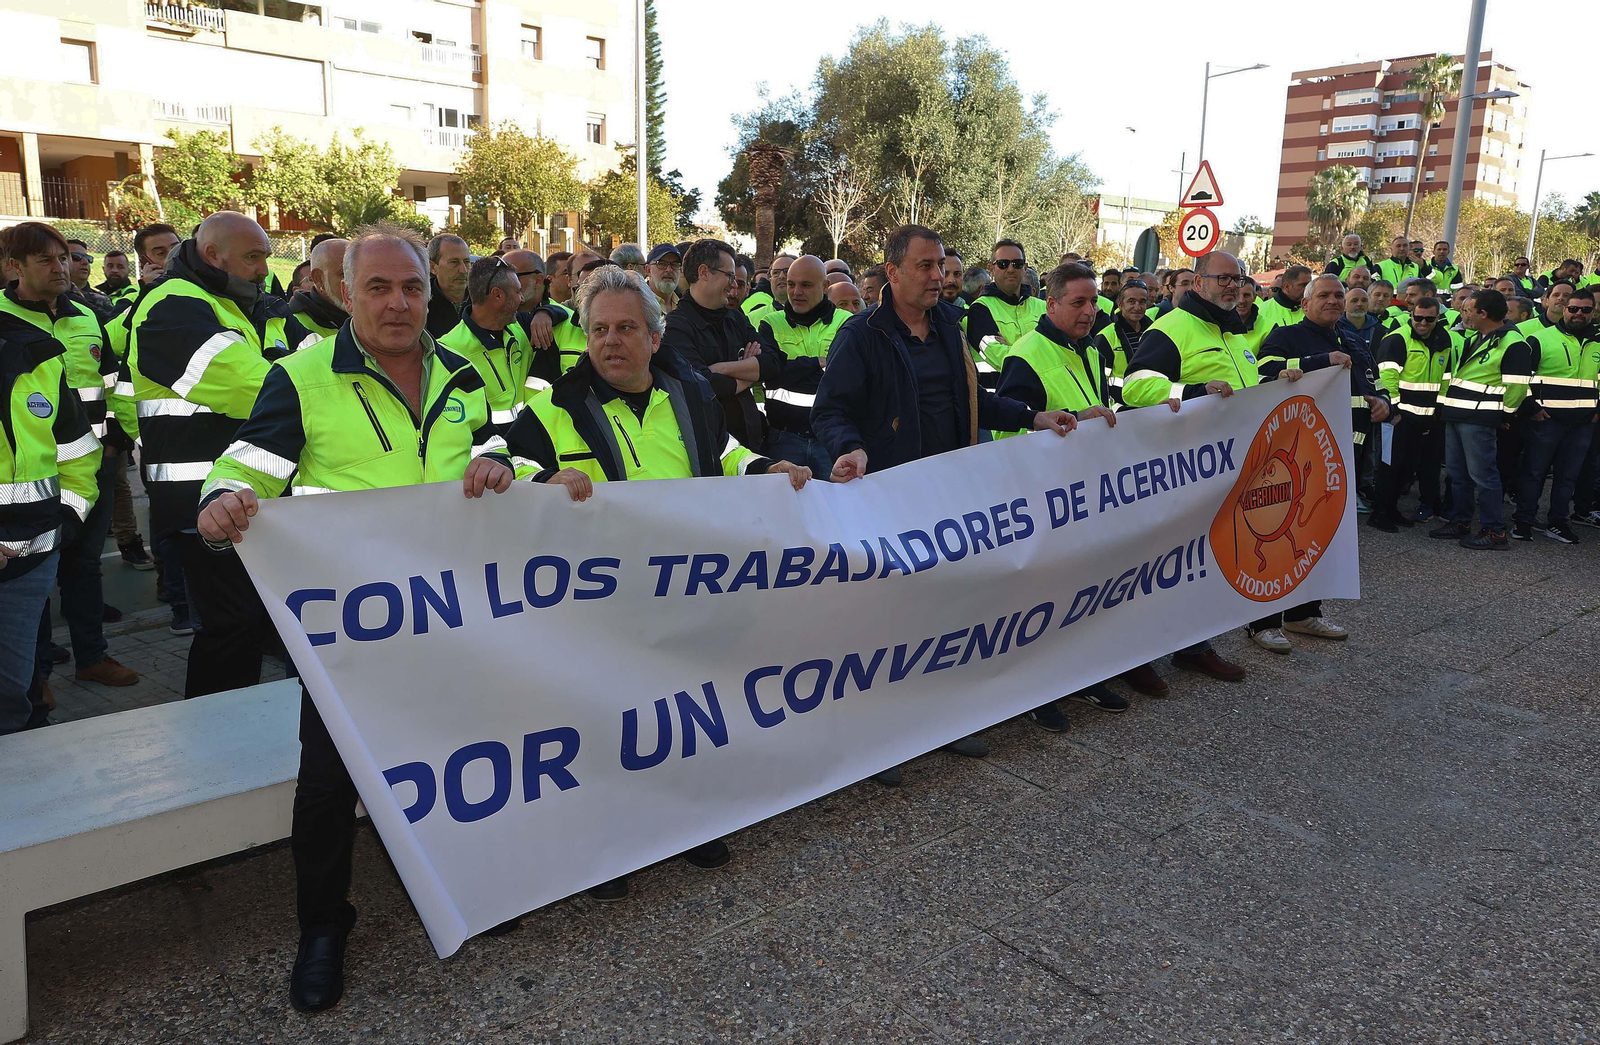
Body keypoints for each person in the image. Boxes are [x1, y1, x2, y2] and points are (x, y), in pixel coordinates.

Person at [197, 223, 515, 1014]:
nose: (399, 302)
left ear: (431, 291)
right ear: (344, 293)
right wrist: (219, 497)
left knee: (463, 749)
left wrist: (503, 462)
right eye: (378, 287)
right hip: (353, 625)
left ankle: (469, 877)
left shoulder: (463, 372)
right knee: (329, 781)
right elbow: (250, 462)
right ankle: (323, 928)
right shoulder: (303, 377)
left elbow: (508, 442)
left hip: (453, 612)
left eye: (411, 287)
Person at [505, 263, 808, 900]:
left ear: (655, 337)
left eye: (625, 328)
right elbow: (497, 459)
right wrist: (539, 483)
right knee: (607, 717)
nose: (610, 341)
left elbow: (725, 457)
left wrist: (766, 470)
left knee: (685, 708)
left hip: (688, 589)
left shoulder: (693, 394)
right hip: (602, 604)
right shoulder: (553, 406)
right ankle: (608, 845)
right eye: (597, 330)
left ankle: (686, 820)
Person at [812, 224, 1078, 782]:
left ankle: (942, 719)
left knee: (944, 608)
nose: (939, 277)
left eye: (940, 267)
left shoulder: (948, 328)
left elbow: (970, 398)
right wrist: (851, 448)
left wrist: (1029, 416)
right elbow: (829, 410)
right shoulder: (862, 336)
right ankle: (876, 737)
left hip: (949, 493)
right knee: (885, 618)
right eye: (926, 266)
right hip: (888, 494)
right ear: (893, 271)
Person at [126, 211, 310, 691]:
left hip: (233, 495)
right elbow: (252, 385)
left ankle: (237, 728)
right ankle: (214, 736)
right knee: (231, 629)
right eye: (253, 257)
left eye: (267, 258)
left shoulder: (225, 303)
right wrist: (322, 397)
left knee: (245, 627)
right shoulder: (173, 305)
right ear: (213, 255)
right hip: (198, 501)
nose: (264, 270)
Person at [997, 262, 1170, 720]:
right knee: (1040, 601)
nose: (1091, 310)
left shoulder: (1093, 348)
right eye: (1079, 302)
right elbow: (1007, 436)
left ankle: (1082, 678)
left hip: (1085, 493)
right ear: (1051, 303)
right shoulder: (1026, 354)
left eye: (1094, 301)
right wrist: (1076, 418)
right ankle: (1036, 695)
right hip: (1042, 498)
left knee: (1083, 592)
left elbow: (1107, 407)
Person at [0, 222, 138, 692]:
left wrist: (119, 434)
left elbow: (113, 379)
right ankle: (34, 675)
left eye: (63, 258)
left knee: (84, 564)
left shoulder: (85, 316)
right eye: (47, 261)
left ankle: (91, 656)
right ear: (14, 267)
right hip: (28, 478)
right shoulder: (2, 318)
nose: (61, 268)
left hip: (91, 463)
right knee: (31, 572)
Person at [1120, 251, 1256, 683]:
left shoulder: (1233, 332)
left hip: (1223, 472)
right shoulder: (1174, 327)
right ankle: (1134, 654)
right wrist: (1192, 390)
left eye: (1238, 278)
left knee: (1203, 564)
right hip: (1179, 470)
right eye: (1223, 278)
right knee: (1161, 567)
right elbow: (1136, 386)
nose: (1232, 285)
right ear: (1198, 283)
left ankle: (1194, 646)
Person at [1248, 274, 1389, 652]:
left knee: (1315, 535)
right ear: (1305, 303)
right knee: (1278, 535)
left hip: (1342, 456)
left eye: (1337, 296)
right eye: (1323, 295)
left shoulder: (1355, 340)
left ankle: (1303, 613)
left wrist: (1383, 401)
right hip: (1295, 457)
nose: (1332, 301)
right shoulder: (1286, 336)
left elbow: (1373, 383)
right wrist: (1319, 361)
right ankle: (1262, 623)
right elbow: (1263, 371)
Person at [0, 302, 101, 734]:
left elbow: (77, 454)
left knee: (14, 696)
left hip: (31, 563)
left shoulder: (39, 354)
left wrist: (64, 525)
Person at [1429, 289, 1532, 550]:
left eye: (1469, 310)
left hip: (1479, 418)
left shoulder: (1513, 343)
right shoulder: (1477, 337)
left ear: (1483, 313)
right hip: (1457, 413)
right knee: (1457, 474)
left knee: (1483, 476)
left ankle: (1494, 530)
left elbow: (1517, 388)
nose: (1465, 315)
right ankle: (1461, 521)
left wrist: (1505, 415)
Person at [660, 239, 783, 455]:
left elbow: (773, 362)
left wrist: (722, 368)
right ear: (704, 272)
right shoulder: (675, 327)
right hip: (709, 451)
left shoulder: (736, 318)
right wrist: (750, 370)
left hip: (752, 444)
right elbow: (702, 385)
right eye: (730, 276)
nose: (734, 285)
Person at [1510, 287, 1599, 544]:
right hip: (1546, 421)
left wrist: (1597, 412)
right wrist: (1532, 409)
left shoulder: (1599, 342)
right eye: (1573, 309)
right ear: (1564, 309)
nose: (1578, 314)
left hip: (1583, 424)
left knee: (1567, 476)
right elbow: (1520, 379)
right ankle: (1524, 521)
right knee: (1534, 472)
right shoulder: (1541, 339)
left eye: (1585, 310)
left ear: (1593, 311)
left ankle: (1558, 523)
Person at [437, 256, 563, 430]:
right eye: (517, 291)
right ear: (497, 295)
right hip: (490, 453)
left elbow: (566, 313)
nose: (521, 299)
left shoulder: (520, 327)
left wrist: (545, 313)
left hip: (528, 445)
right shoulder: (448, 350)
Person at [755, 255, 846, 476]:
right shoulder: (770, 323)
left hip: (832, 438)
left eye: (805, 285)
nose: (796, 292)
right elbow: (773, 373)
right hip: (782, 439)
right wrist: (818, 363)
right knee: (783, 509)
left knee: (834, 508)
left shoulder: (846, 322)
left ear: (825, 286)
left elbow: (844, 377)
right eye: (791, 284)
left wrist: (790, 368)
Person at [1371, 297, 1454, 530]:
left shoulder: (1443, 340)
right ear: (1411, 316)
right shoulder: (1397, 340)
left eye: (1429, 318)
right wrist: (1394, 410)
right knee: (1389, 466)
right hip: (1399, 418)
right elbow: (1387, 379)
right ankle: (1380, 513)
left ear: (1438, 318)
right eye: (1418, 317)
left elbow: (1446, 378)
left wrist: (1440, 408)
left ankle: (1393, 509)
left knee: (1407, 469)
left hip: (1427, 418)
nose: (1423, 323)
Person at [966, 240, 1046, 385]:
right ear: (991, 268)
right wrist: (1042, 357)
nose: (1010, 269)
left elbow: (1060, 349)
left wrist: (1010, 346)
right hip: (1000, 398)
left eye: (1017, 264)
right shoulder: (980, 309)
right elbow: (997, 354)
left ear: (1025, 268)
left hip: (1045, 397)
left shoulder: (1043, 307)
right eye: (1003, 264)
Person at [277, 238, 349, 350]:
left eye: (358, 273)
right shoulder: (292, 325)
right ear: (318, 278)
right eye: (344, 274)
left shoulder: (369, 315)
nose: (355, 281)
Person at [1094, 279, 1153, 403]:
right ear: (1120, 304)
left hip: (1150, 402)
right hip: (1121, 408)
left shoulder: (1154, 332)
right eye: (1131, 301)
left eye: (1142, 302)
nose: (1137, 307)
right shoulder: (1106, 337)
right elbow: (1099, 382)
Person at [425, 234, 470, 338]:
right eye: (454, 262)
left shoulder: (482, 298)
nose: (464, 270)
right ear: (433, 267)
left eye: (467, 262)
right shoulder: (422, 302)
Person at [1255, 265, 1309, 334]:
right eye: (1303, 285)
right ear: (1287, 286)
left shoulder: (1314, 310)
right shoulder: (1261, 311)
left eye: (1310, 285)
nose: (1307, 289)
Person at [645, 243, 682, 314]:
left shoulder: (684, 305)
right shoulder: (638, 303)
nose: (669, 269)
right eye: (661, 264)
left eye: (674, 264)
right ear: (648, 270)